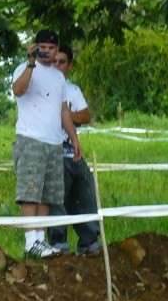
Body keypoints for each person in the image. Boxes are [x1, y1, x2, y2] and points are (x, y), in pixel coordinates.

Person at [11, 29, 83, 259]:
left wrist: (74, 138)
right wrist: (31, 64)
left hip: (54, 142)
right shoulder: (24, 69)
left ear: (57, 49)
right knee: (30, 192)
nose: (48, 52)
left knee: (46, 194)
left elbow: (63, 111)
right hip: (30, 139)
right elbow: (18, 91)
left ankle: (40, 240)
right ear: (35, 47)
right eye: (43, 47)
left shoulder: (59, 77)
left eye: (52, 48)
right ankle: (29, 241)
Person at [47, 45, 102, 256]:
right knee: (57, 196)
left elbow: (85, 115)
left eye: (62, 62)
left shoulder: (72, 90)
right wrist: (68, 116)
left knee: (85, 192)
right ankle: (58, 243)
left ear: (69, 66)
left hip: (73, 151)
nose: (57, 66)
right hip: (52, 152)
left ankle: (89, 242)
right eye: (54, 61)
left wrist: (68, 115)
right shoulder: (42, 89)